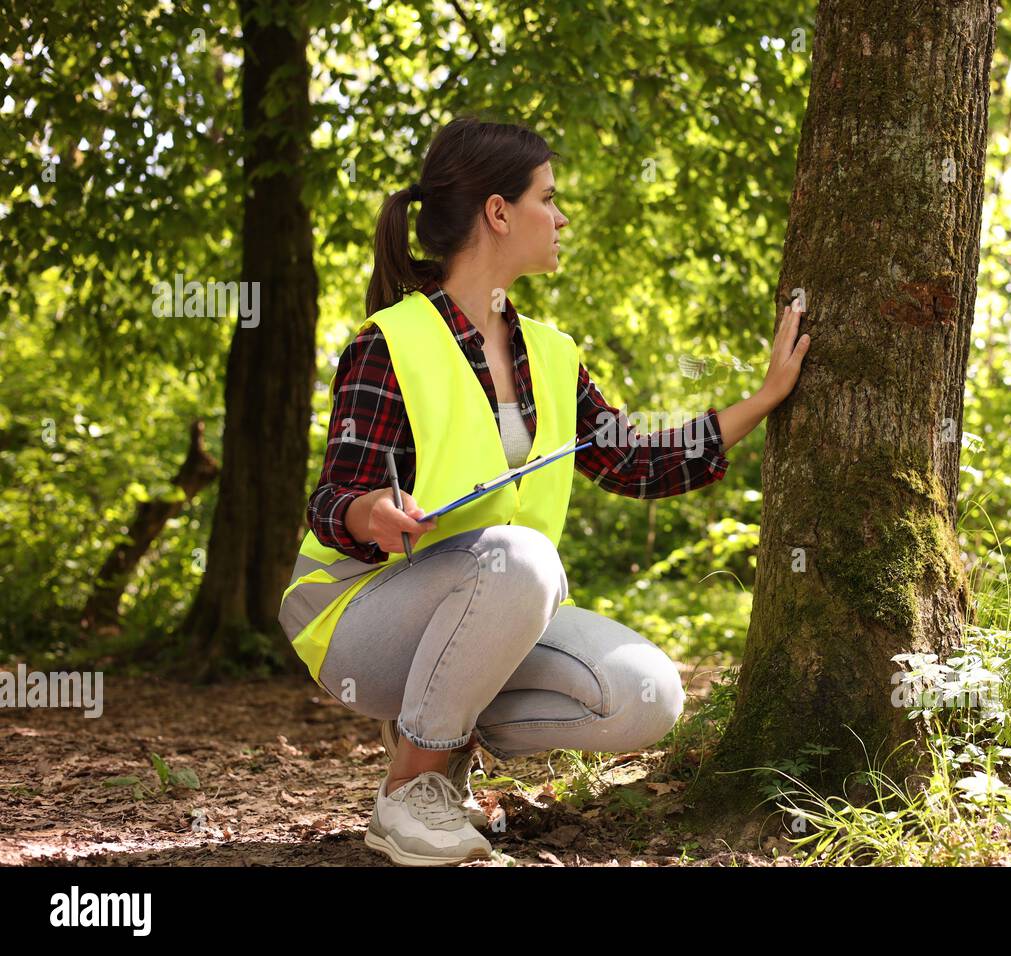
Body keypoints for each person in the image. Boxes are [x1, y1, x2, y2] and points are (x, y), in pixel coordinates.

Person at [278, 115, 810, 866]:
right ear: (499, 212)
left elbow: (633, 461)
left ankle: (444, 729)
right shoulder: (389, 340)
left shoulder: (553, 355)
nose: (560, 219)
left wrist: (761, 400)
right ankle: (412, 793)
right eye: (548, 199)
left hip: (491, 611)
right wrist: (371, 512)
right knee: (523, 558)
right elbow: (334, 499)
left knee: (647, 695)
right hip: (359, 613)